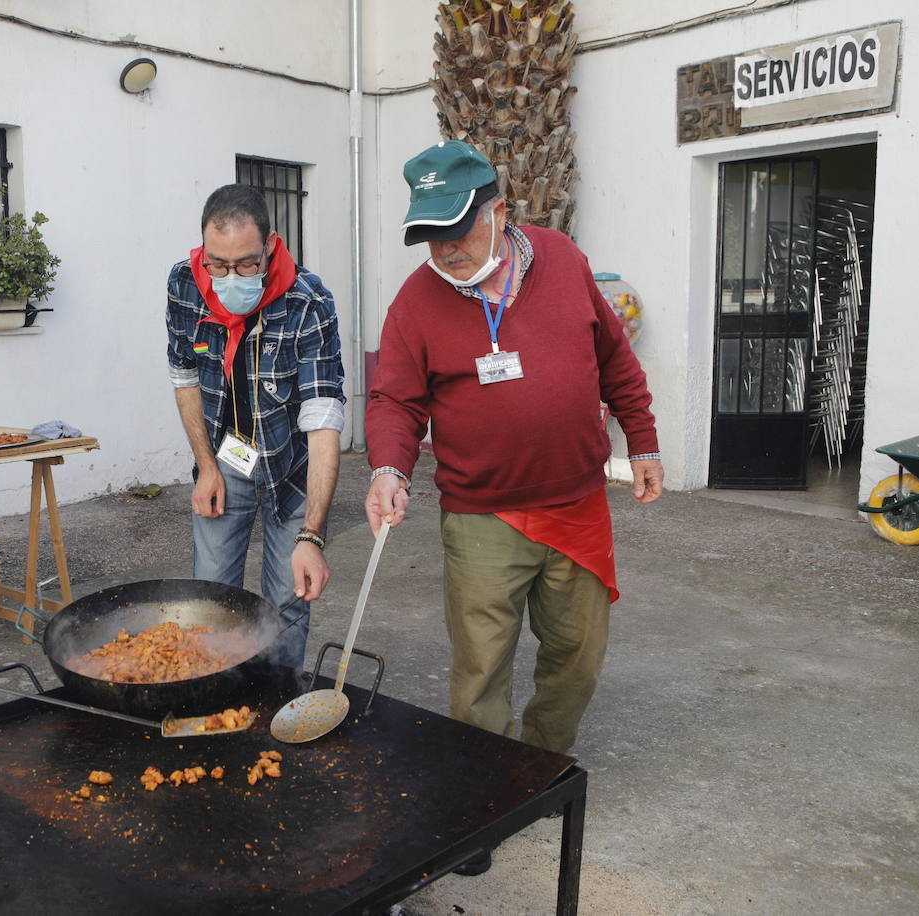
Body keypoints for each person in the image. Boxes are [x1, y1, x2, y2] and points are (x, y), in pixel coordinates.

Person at [366, 139, 663, 769]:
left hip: (576, 503)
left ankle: (541, 765)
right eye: (430, 234)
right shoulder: (416, 302)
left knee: (576, 659)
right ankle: (483, 796)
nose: (446, 248)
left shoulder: (562, 259)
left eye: (458, 227)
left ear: (499, 211)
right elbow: (394, 399)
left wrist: (643, 440)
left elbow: (614, 356)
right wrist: (389, 471)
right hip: (482, 516)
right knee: (481, 672)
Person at [166, 184, 346, 668]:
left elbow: (324, 418)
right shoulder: (185, 284)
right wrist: (205, 465)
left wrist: (312, 534)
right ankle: (210, 702)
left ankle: (275, 708)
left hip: (292, 473)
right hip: (225, 460)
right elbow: (185, 377)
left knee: (287, 606)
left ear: (270, 245)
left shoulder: (309, 301)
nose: (230, 277)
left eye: (246, 264)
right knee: (209, 603)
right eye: (218, 264)